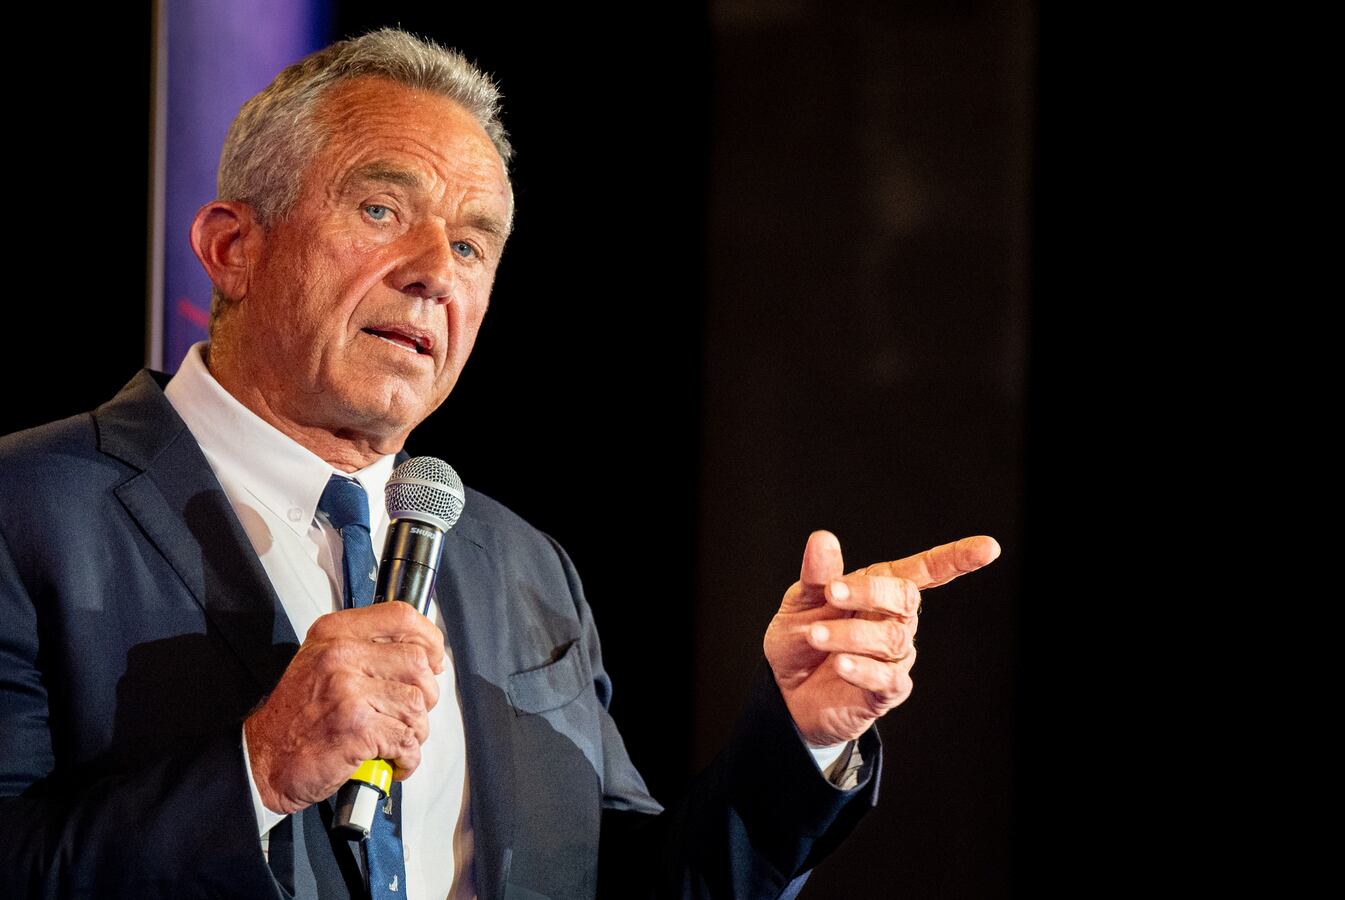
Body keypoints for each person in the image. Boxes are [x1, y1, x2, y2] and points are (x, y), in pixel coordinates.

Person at [0, 28, 999, 900]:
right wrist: (260, 768)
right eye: (382, 211)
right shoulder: (29, 509)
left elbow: (631, 882)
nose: (436, 270)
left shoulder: (521, 565)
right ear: (233, 249)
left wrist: (801, 735)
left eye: (473, 246)